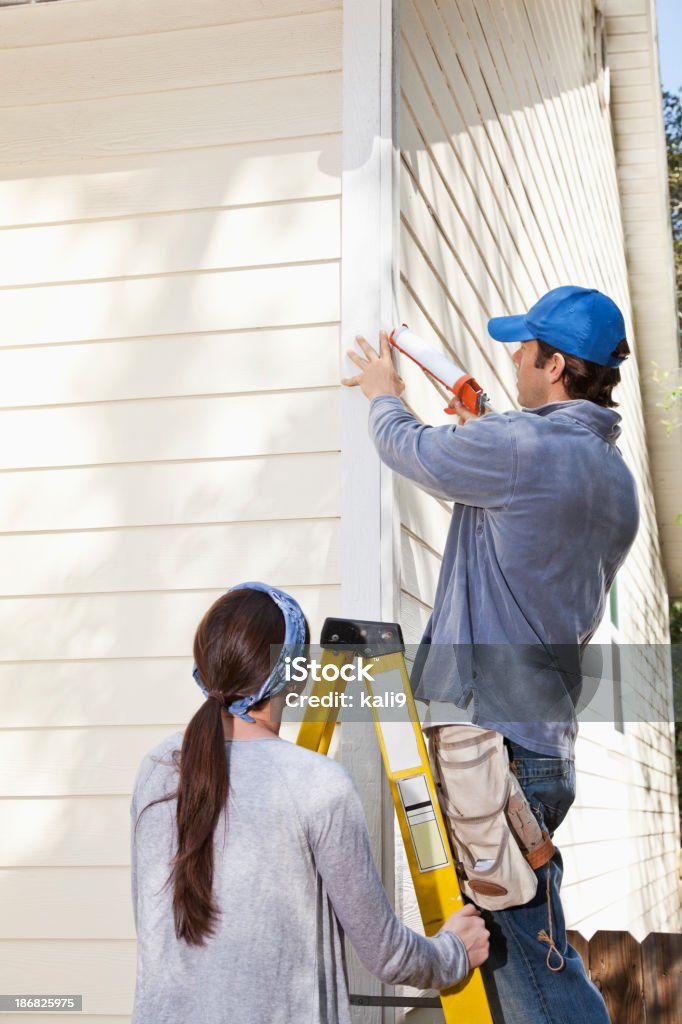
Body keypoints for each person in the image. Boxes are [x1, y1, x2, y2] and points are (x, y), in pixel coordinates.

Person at [342, 285, 640, 1024]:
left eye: (525, 347)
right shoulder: (615, 481)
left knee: (535, 971)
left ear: (557, 365)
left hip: (490, 747)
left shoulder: (519, 447)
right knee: (516, 954)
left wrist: (383, 392)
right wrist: (482, 429)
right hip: (542, 746)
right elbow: (525, 528)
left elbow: (404, 445)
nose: (513, 356)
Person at [130, 580, 489, 1024]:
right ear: (297, 674)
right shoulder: (317, 785)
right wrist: (455, 950)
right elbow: (387, 955)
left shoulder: (157, 769)